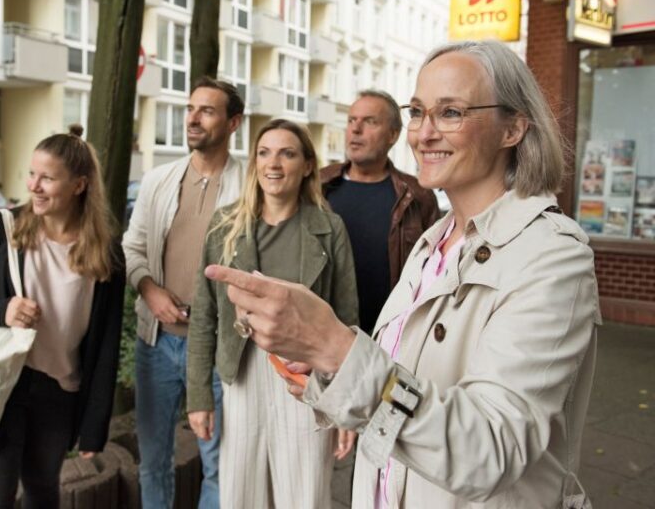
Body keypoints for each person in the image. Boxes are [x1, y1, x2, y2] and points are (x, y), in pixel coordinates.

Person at [203, 41, 601, 508]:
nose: (424, 133)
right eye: (417, 112)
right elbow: (407, 382)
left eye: (450, 112)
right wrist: (328, 369)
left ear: (512, 128)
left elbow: (490, 450)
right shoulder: (435, 241)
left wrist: (338, 349)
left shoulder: (553, 256)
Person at [0, 125, 124, 509]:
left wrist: (93, 425)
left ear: (79, 185)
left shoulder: (106, 254)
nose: (34, 185)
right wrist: (1, 310)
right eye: (32, 173)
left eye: (47, 178)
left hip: (58, 394)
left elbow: (106, 345)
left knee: (43, 492)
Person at [187, 119, 360, 509]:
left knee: (305, 496)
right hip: (242, 373)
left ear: (308, 165)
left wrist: (346, 404)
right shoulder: (225, 226)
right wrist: (199, 396)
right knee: (241, 496)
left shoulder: (329, 228)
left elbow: (347, 321)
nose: (274, 163)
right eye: (264, 153)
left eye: (287, 153)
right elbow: (204, 317)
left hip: (306, 378)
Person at [122, 76, 245, 509]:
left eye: (206, 111)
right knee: (153, 462)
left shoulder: (249, 186)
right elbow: (132, 248)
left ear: (233, 122)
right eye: (190, 109)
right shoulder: (158, 180)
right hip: (156, 343)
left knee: (219, 466)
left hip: (216, 349)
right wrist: (149, 290)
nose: (193, 119)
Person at [322, 90, 439, 333]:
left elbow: (434, 275)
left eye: (370, 121)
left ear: (393, 135)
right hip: (325, 334)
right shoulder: (317, 187)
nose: (356, 129)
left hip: (391, 335)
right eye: (351, 120)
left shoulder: (417, 196)